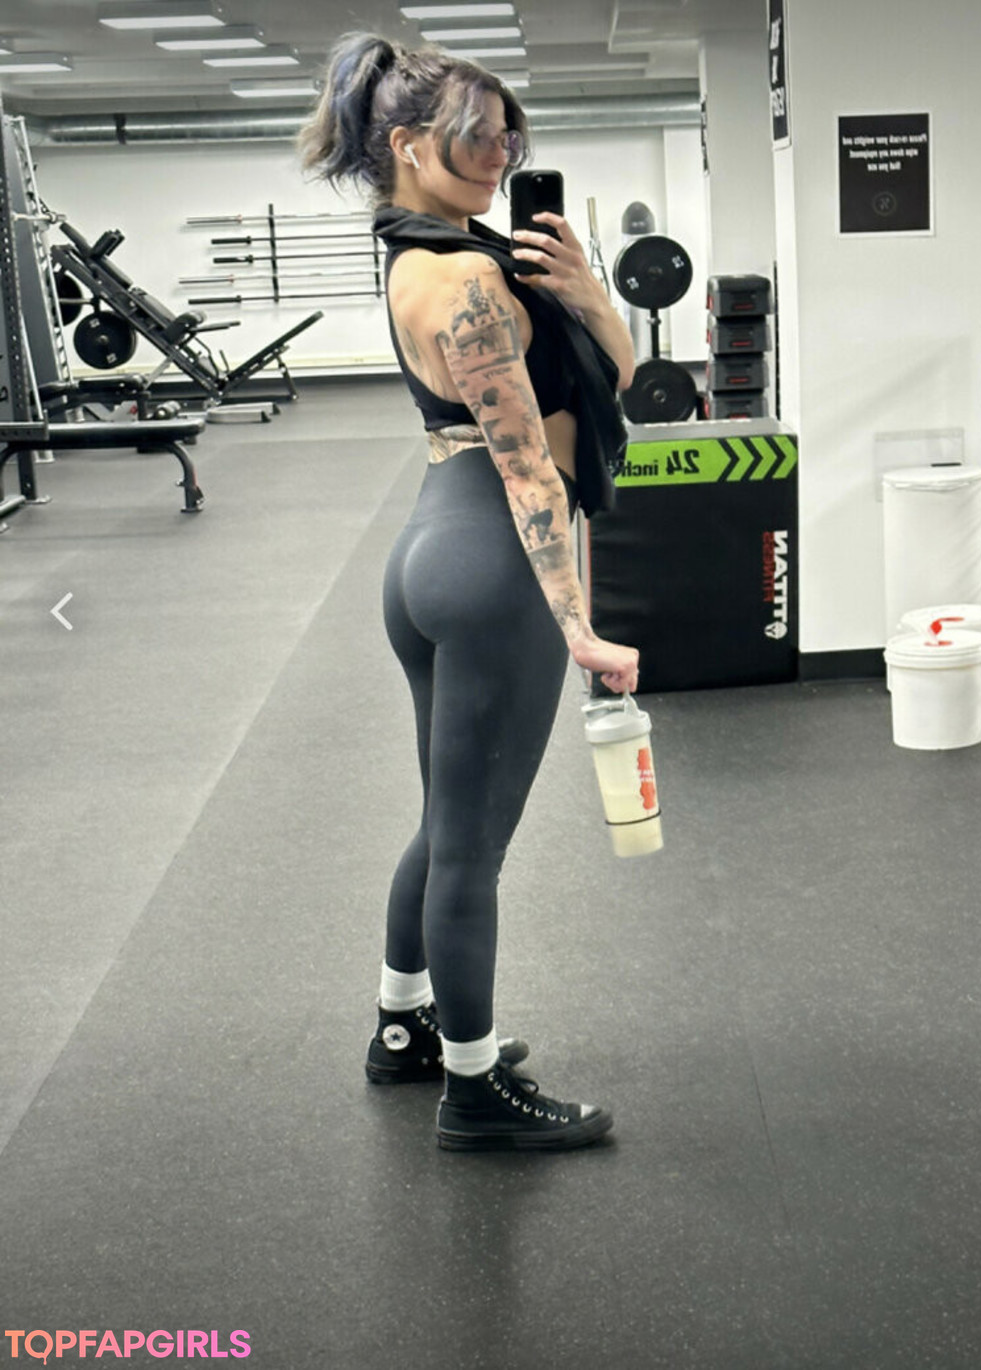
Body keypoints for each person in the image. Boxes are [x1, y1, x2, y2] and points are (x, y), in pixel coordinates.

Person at [300, 34, 639, 1152]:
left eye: (508, 137)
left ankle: (404, 1026)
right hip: (493, 566)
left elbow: (614, 379)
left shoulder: (434, 254)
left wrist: (585, 290)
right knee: (472, 848)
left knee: (449, 824)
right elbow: (530, 467)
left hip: (436, 547)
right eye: (477, 136)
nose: (500, 155)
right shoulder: (466, 280)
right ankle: (476, 1088)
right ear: (408, 143)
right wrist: (579, 624)